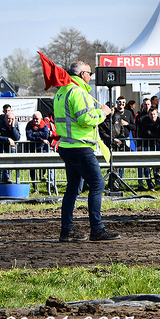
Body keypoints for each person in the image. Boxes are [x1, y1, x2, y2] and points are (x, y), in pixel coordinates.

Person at [54, 60, 119, 242]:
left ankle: (67, 230)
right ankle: (96, 229)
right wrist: (103, 112)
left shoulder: (61, 91)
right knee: (97, 184)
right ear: (82, 74)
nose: (91, 77)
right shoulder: (78, 92)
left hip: (67, 146)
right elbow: (85, 119)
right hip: (80, 146)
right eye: (89, 73)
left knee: (73, 188)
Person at [138, 107, 160, 190]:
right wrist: (154, 135)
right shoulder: (144, 121)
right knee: (146, 165)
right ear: (148, 114)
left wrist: (151, 134)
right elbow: (143, 133)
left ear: (157, 114)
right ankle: (149, 182)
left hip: (158, 144)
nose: (152, 116)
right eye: (151, 114)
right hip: (147, 145)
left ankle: (158, 178)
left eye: (154, 114)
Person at [25, 111, 51, 190]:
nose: (35, 120)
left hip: (42, 149)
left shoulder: (44, 124)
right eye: (34, 119)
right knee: (33, 169)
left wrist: (35, 133)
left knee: (43, 166)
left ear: (41, 119)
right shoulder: (29, 125)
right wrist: (40, 138)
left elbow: (46, 135)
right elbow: (29, 136)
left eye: (37, 119)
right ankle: (35, 187)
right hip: (32, 149)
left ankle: (42, 176)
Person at [0, 112, 20, 183]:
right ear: (5, 119)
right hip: (0, 147)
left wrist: (13, 127)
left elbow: (17, 137)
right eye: (8, 119)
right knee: (1, 165)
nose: (10, 121)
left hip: (10, 148)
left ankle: (7, 178)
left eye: (12, 119)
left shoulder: (15, 124)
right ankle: (1, 180)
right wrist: (7, 139)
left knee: (10, 162)